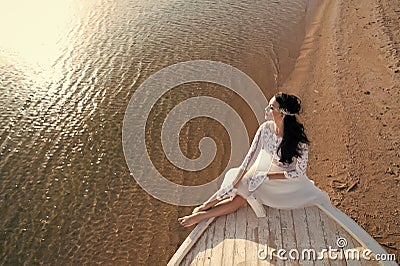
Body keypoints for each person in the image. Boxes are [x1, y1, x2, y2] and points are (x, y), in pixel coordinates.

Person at [178, 92, 330, 227]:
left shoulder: (300, 142)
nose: (266, 110)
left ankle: (202, 215)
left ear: (282, 115)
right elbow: (249, 158)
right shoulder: (265, 129)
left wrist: (267, 177)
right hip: (266, 167)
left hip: (286, 180)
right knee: (240, 185)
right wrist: (236, 181)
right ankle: (206, 206)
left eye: (271, 107)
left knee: (242, 197)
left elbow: (299, 172)